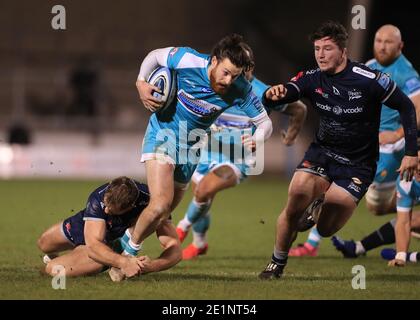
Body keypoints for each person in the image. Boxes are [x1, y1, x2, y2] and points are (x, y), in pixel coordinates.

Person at [258, 21, 418, 280]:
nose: (320, 55)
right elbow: (289, 91)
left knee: (325, 229)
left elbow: (407, 108)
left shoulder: (370, 80)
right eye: (317, 49)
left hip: (358, 165)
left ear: (343, 51)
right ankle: (276, 263)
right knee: (296, 195)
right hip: (322, 153)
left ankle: (320, 206)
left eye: (327, 48)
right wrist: (273, 94)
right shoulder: (312, 78)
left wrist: (411, 151)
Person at [116, 34, 273, 277]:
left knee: (162, 214)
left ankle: (121, 240)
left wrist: (256, 139)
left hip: (192, 148)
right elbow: (155, 56)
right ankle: (126, 256)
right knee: (159, 204)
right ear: (213, 61)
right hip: (163, 133)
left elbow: (265, 123)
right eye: (226, 72)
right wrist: (140, 83)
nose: (229, 80)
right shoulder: (187, 59)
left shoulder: (240, 89)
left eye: (235, 75)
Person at [175, 64, 307, 260]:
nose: (235, 74)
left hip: (237, 159)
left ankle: (180, 228)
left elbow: (299, 109)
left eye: (241, 68)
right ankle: (200, 243)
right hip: (206, 152)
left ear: (250, 67)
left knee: (204, 190)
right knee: (202, 196)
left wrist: (291, 136)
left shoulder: (263, 93)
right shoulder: (218, 85)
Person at [37, 176, 181, 277]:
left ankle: (116, 249)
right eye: (105, 205)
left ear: (130, 207)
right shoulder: (99, 197)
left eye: (111, 210)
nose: (106, 210)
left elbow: (175, 248)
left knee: (53, 269)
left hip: (107, 243)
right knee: (44, 243)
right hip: (89, 227)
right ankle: (82, 258)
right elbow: (93, 245)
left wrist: (151, 266)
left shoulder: (152, 206)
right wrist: (125, 263)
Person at [333, 149, 420, 265]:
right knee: (411, 219)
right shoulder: (406, 181)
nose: (418, 168)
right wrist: (400, 257)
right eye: (417, 162)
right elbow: (404, 222)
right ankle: (360, 247)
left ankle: (412, 256)